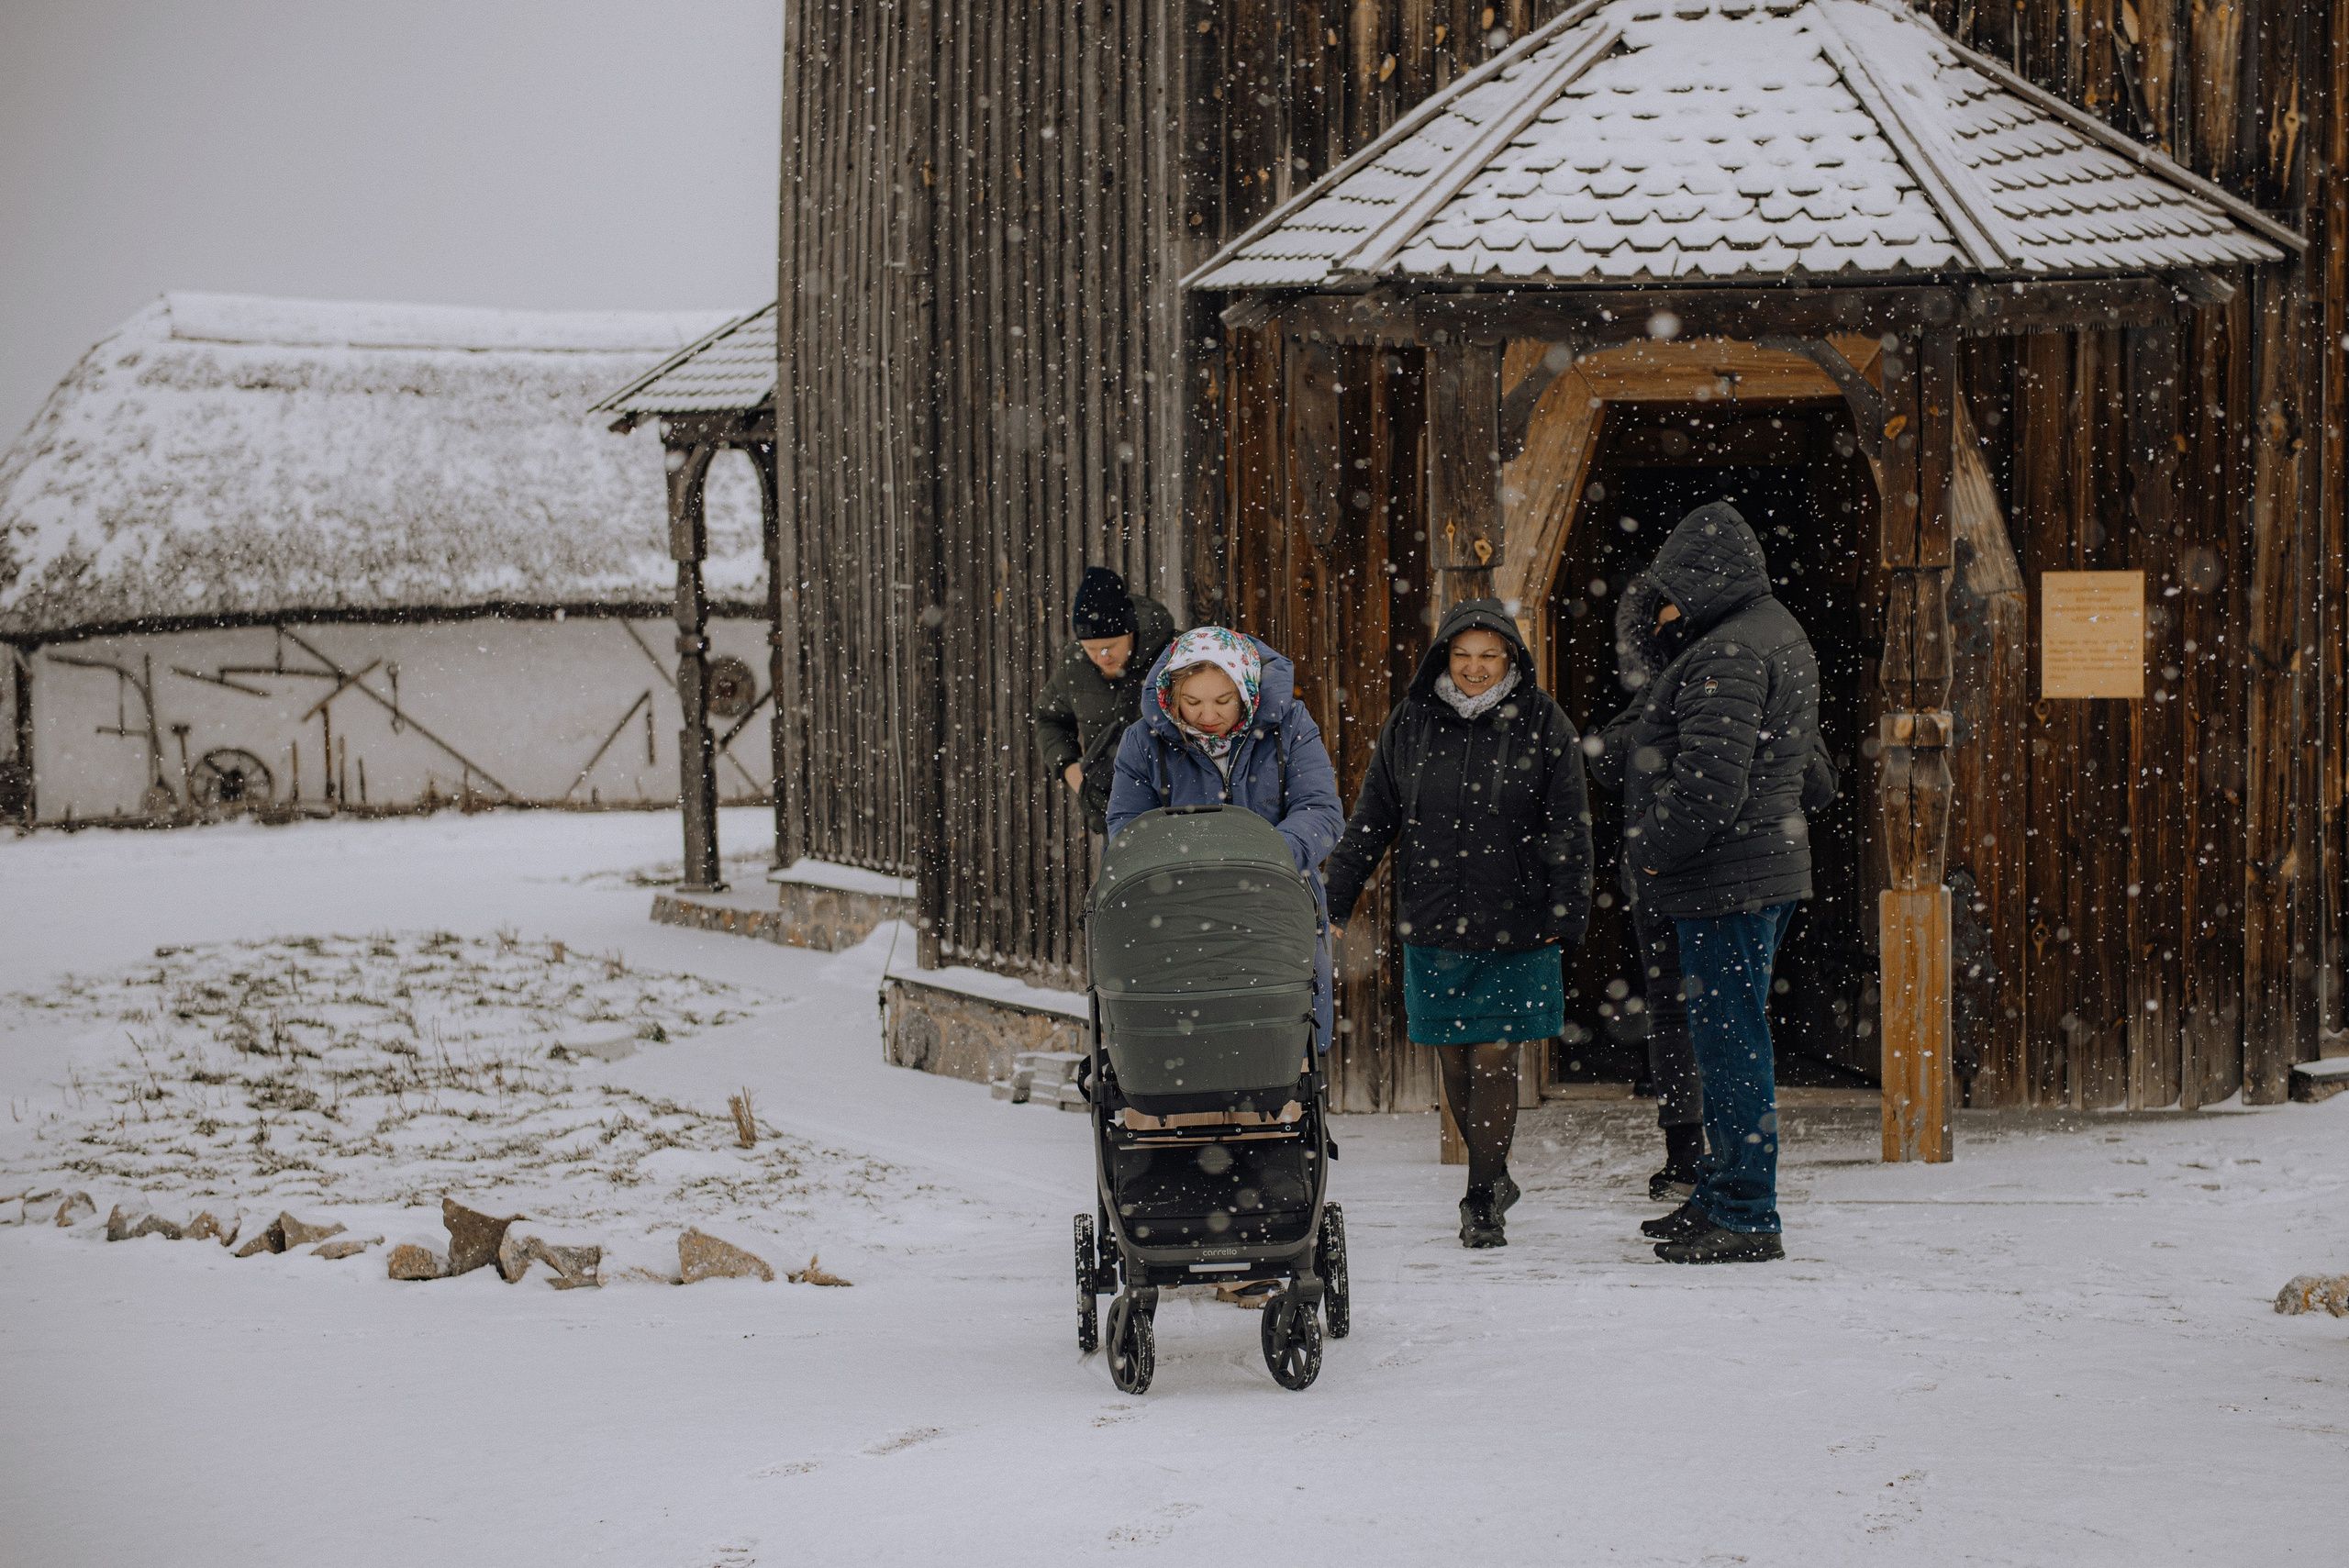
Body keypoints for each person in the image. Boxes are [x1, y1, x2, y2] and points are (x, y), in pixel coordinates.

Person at [1321, 600, 1594, 1250]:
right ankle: (1494, 1174)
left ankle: (1479, 1196)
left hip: (1516, 916)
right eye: (1463, 655)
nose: (1474, 669)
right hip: (1436, 913)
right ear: (1445, 656)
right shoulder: (1411, 723)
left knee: (1496, 1055)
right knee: (1455, 1060)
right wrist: (1336, 898)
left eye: (1489, 656)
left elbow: (1569, 823)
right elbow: (1372, 818)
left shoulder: (1543, 723)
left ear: (1511, 660)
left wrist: (1567, 909)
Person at [1601, 501, 1825, 1265]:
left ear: (1698, 580)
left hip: (1726, 881)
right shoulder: (1775, 633)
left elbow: (1705, 789)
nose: (1662, 609)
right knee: (1729, 1038)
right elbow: (1817, 776)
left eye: (1668, 591)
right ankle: (1721, 1191)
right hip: (1755, 872)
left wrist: (1654, 854)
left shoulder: (1728, 650)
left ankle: (1747, 1212)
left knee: (1731, 1047)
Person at [1105, 626, 1344, 1044]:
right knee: (1188, 1047)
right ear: (1170, 694)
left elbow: (1320, 811)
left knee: (1279, 1045)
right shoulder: (1143, 743)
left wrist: (1260, 861)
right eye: (1192, 702)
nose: (1207, 716)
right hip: (1178, 912)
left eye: (1223, 701)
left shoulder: (1289, 729)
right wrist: (1193, 872)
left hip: (1276, 909)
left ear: (1247, 692)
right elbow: (1128, 831)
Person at [1033, 566, 1177, 837]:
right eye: (1090, 648)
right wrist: (1073, 773)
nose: (1101, 656)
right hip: (1116, 823)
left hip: (1177, 815)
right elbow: (1047, 716)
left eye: (1110, 646)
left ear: (1131, 632)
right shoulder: (1075, 665)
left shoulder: (1176, 655)